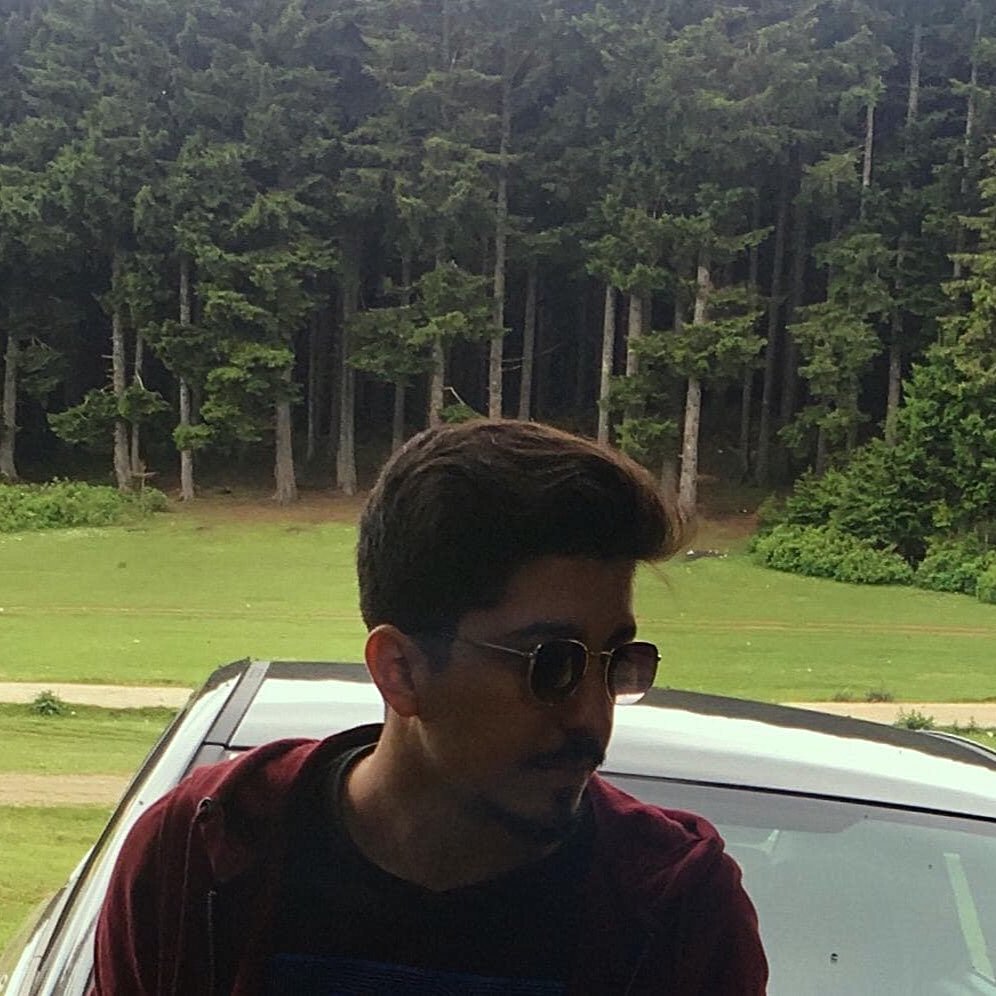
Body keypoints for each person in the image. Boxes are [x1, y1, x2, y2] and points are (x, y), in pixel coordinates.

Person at [91, 419, 768, 995]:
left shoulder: (677, 911)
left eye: (616, 661)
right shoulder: (201, 853)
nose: (593, 719)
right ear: (400, 670)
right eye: (550, 665)